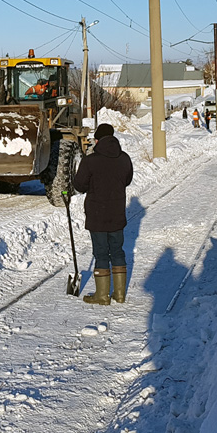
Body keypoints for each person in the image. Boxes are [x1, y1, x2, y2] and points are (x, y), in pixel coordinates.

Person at [72, 123, 134, 306]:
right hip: (117, 213)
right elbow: (127, 180)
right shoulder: (124, 158)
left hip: (97, 214)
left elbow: (79, 185)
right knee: (117, 250)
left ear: (97, 140)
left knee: (101, 253)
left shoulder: (91, 161)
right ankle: (120, 294)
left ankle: (102, 295)